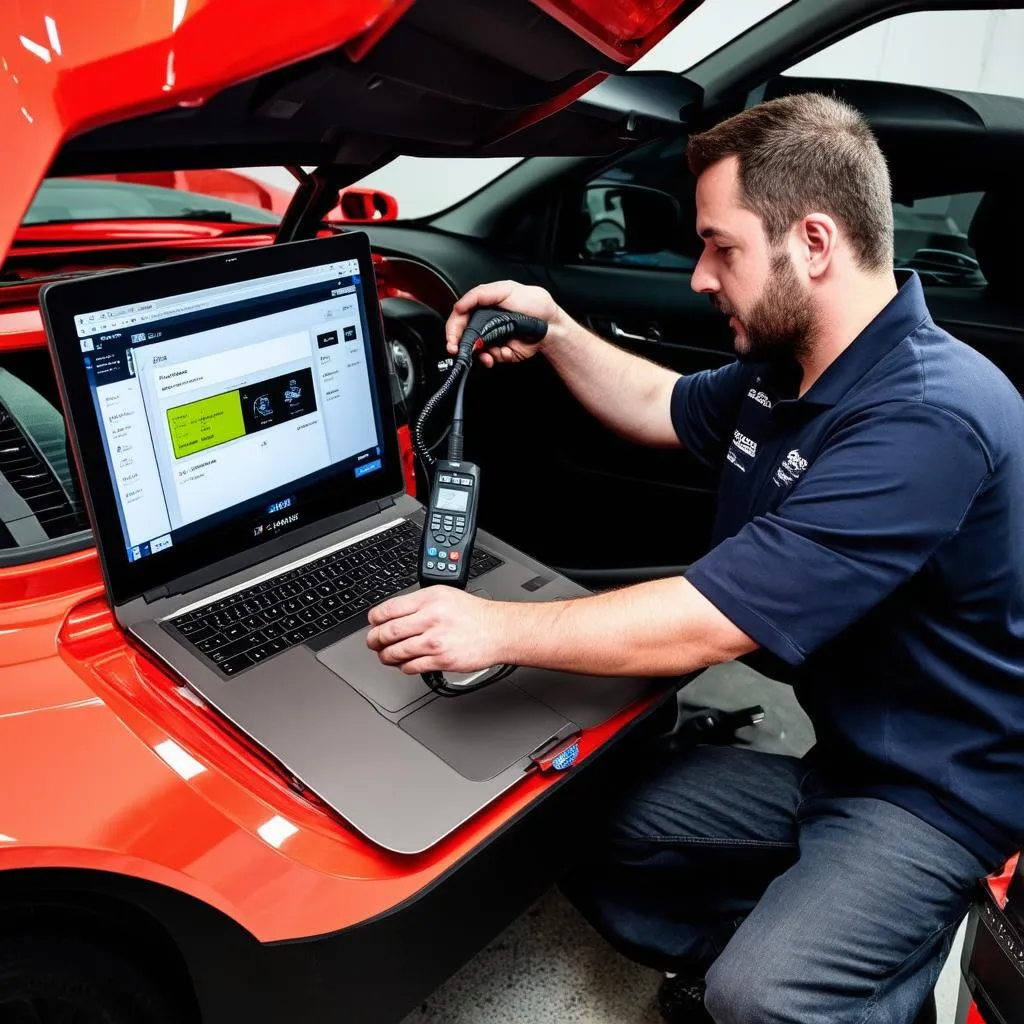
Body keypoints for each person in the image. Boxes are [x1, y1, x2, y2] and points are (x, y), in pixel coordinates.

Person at [366, 92, 1024, 1023]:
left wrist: (490, 626)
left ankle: (854, 973)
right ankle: (817, 935)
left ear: (814, 242)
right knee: (578, 830)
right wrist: (554, 328)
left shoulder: (926, 414)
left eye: (723, 248)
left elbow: (708, 624)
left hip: (939, 796)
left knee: (762, 997)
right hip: (845, 764)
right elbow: (661, 405)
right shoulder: (796, 365)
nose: (700, 278)